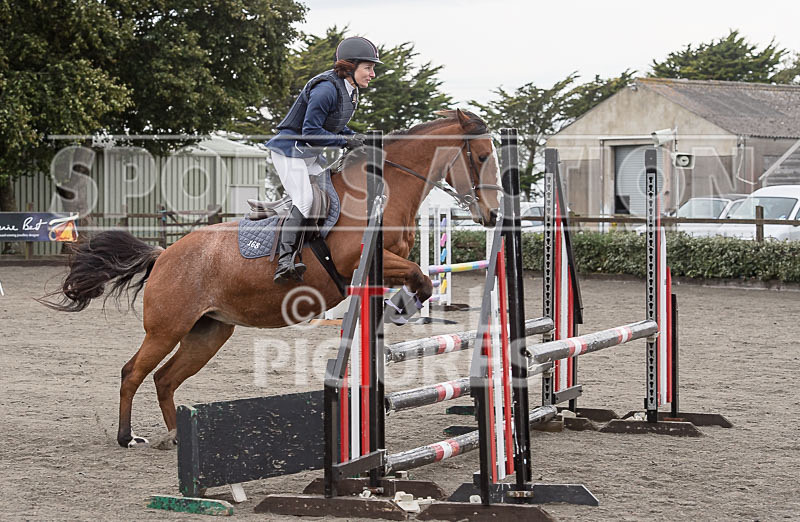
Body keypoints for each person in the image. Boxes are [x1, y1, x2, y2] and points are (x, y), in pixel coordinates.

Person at [266, 36, 382, 283]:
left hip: (307, 154)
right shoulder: (326, 89)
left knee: (329, 195)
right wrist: (345, 142)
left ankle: (314, 250)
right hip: (290, 150)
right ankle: (285, 261)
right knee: (306, 200)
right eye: (368, 68)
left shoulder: (350, 91)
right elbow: (310, 132)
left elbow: (335, 127)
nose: (372, 74)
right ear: (350, 67)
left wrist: (357, 138)